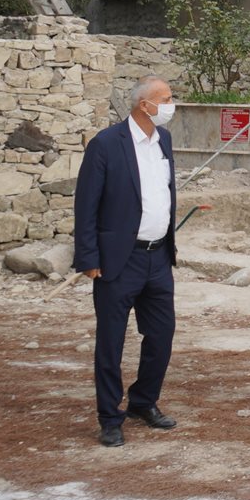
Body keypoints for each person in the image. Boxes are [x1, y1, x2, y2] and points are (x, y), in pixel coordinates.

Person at [72, 75, 181, 448]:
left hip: (158, 256)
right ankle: (109, 416)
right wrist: (88, 256)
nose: (171, 104)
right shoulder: (106, 144)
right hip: (118, 259)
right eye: (165, 98)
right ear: (143, 105)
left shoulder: (163, 140)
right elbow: (86, 204)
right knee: (111, 342)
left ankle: (143, 402)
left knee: (161, 334)